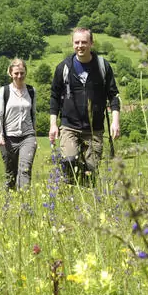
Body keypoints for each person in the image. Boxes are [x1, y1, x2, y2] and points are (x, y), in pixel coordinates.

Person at [48, 28, 121, 186]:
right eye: (77, 42)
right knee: (69, 163)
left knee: (90, 173)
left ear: (91, 43)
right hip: (69, 126)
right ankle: (69, 195)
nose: (80, 46)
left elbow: (113, 95)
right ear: (72, 44)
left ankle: (86, 197)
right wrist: (53, 124)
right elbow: (54, 97)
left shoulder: (103, 66)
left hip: (94, 129)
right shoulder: (63, 67)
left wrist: (115, 122)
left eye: (84, 42)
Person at [0, 59, 37, 190]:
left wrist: (34, 136)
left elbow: (33, 114)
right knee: (10, 174)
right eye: (16, 73)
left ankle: (24, 198)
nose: (19, 76)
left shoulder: (31, 91)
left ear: (26, 73)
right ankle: (11, 199)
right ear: (10, 73)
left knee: (25, 170)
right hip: (8, 138)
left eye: (22, 73)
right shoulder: (4, 91)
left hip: (27, 137)